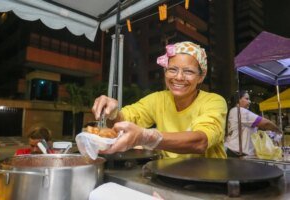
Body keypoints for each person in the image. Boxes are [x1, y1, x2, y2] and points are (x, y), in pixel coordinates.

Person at [92, 41, 228, 159]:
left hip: (211, 180)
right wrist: (113, 113)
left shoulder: (214, 102)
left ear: (201, 77)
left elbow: (200, 142)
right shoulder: (158, 99)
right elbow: (122, 122)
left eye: (188, 71)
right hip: (168, 176)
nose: (179, 77)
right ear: (165, 72)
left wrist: (147, 137)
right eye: (172, 69)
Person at [225, 90, 282, 157]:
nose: (250, 101)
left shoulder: (233, 111)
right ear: (238, 100)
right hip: (236, 152)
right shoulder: (240, 111)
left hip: (232, 150)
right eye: (247, 99)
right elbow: (266, 123)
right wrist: (278, 131)